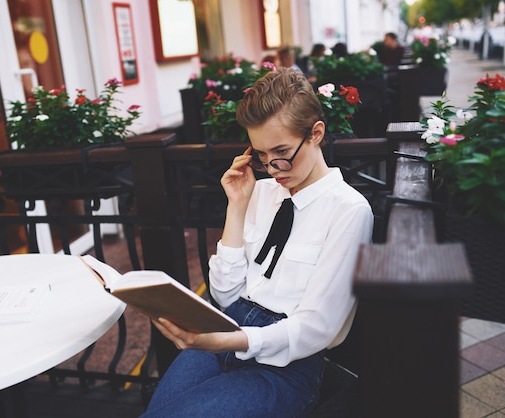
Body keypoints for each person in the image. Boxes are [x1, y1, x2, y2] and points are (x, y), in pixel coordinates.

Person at [141, 68, 374, 417]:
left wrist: (229, 340)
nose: (274, 168)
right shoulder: (260, 192)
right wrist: (236, 207)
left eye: (281, 151)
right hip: (226, 331)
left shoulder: (349, 210)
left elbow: (315, 328)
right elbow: (225, 294)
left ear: (315, 134)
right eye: (262, 157)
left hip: (284, 366)